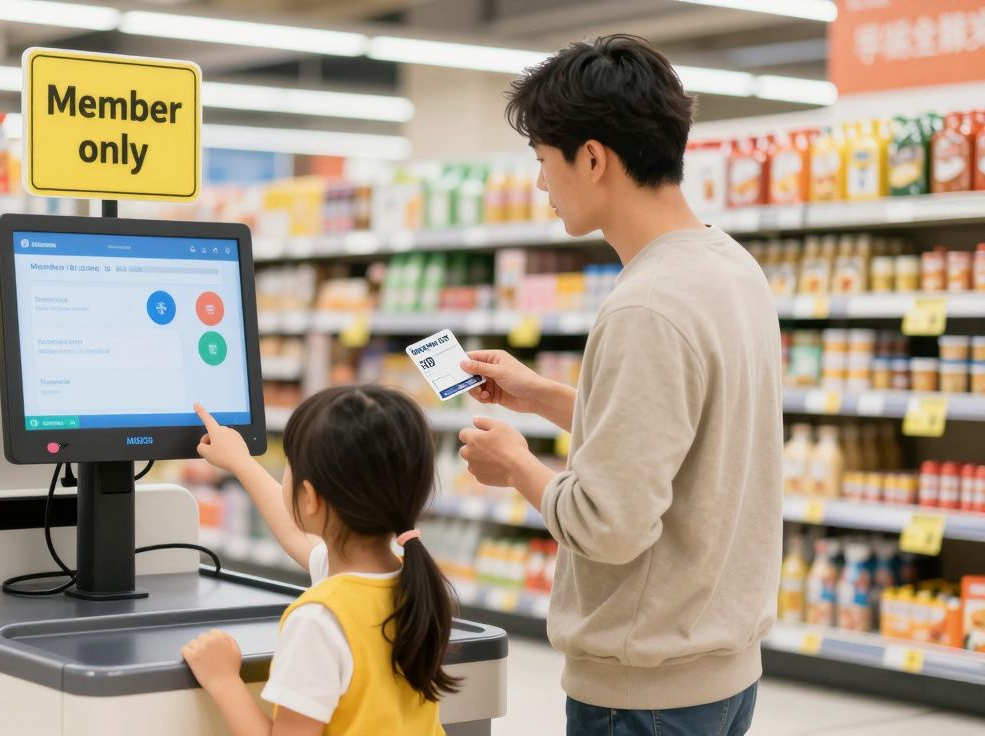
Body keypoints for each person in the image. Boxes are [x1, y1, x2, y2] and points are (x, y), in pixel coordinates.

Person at [457, 34, 782, 735]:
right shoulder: (730, 267)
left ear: (594, 158)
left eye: (544, 161)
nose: (543, 184)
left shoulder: (645, 306)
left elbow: (609, 526)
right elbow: (688, 436)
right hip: (722, 673)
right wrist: (543, 396)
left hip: (642, 694)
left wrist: (515, 464)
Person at [181, 386, 459, 736]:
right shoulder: (410, 582)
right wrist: (240, 462)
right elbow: (297, 536)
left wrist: (222, 680)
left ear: (310, 497)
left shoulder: (317, 620)